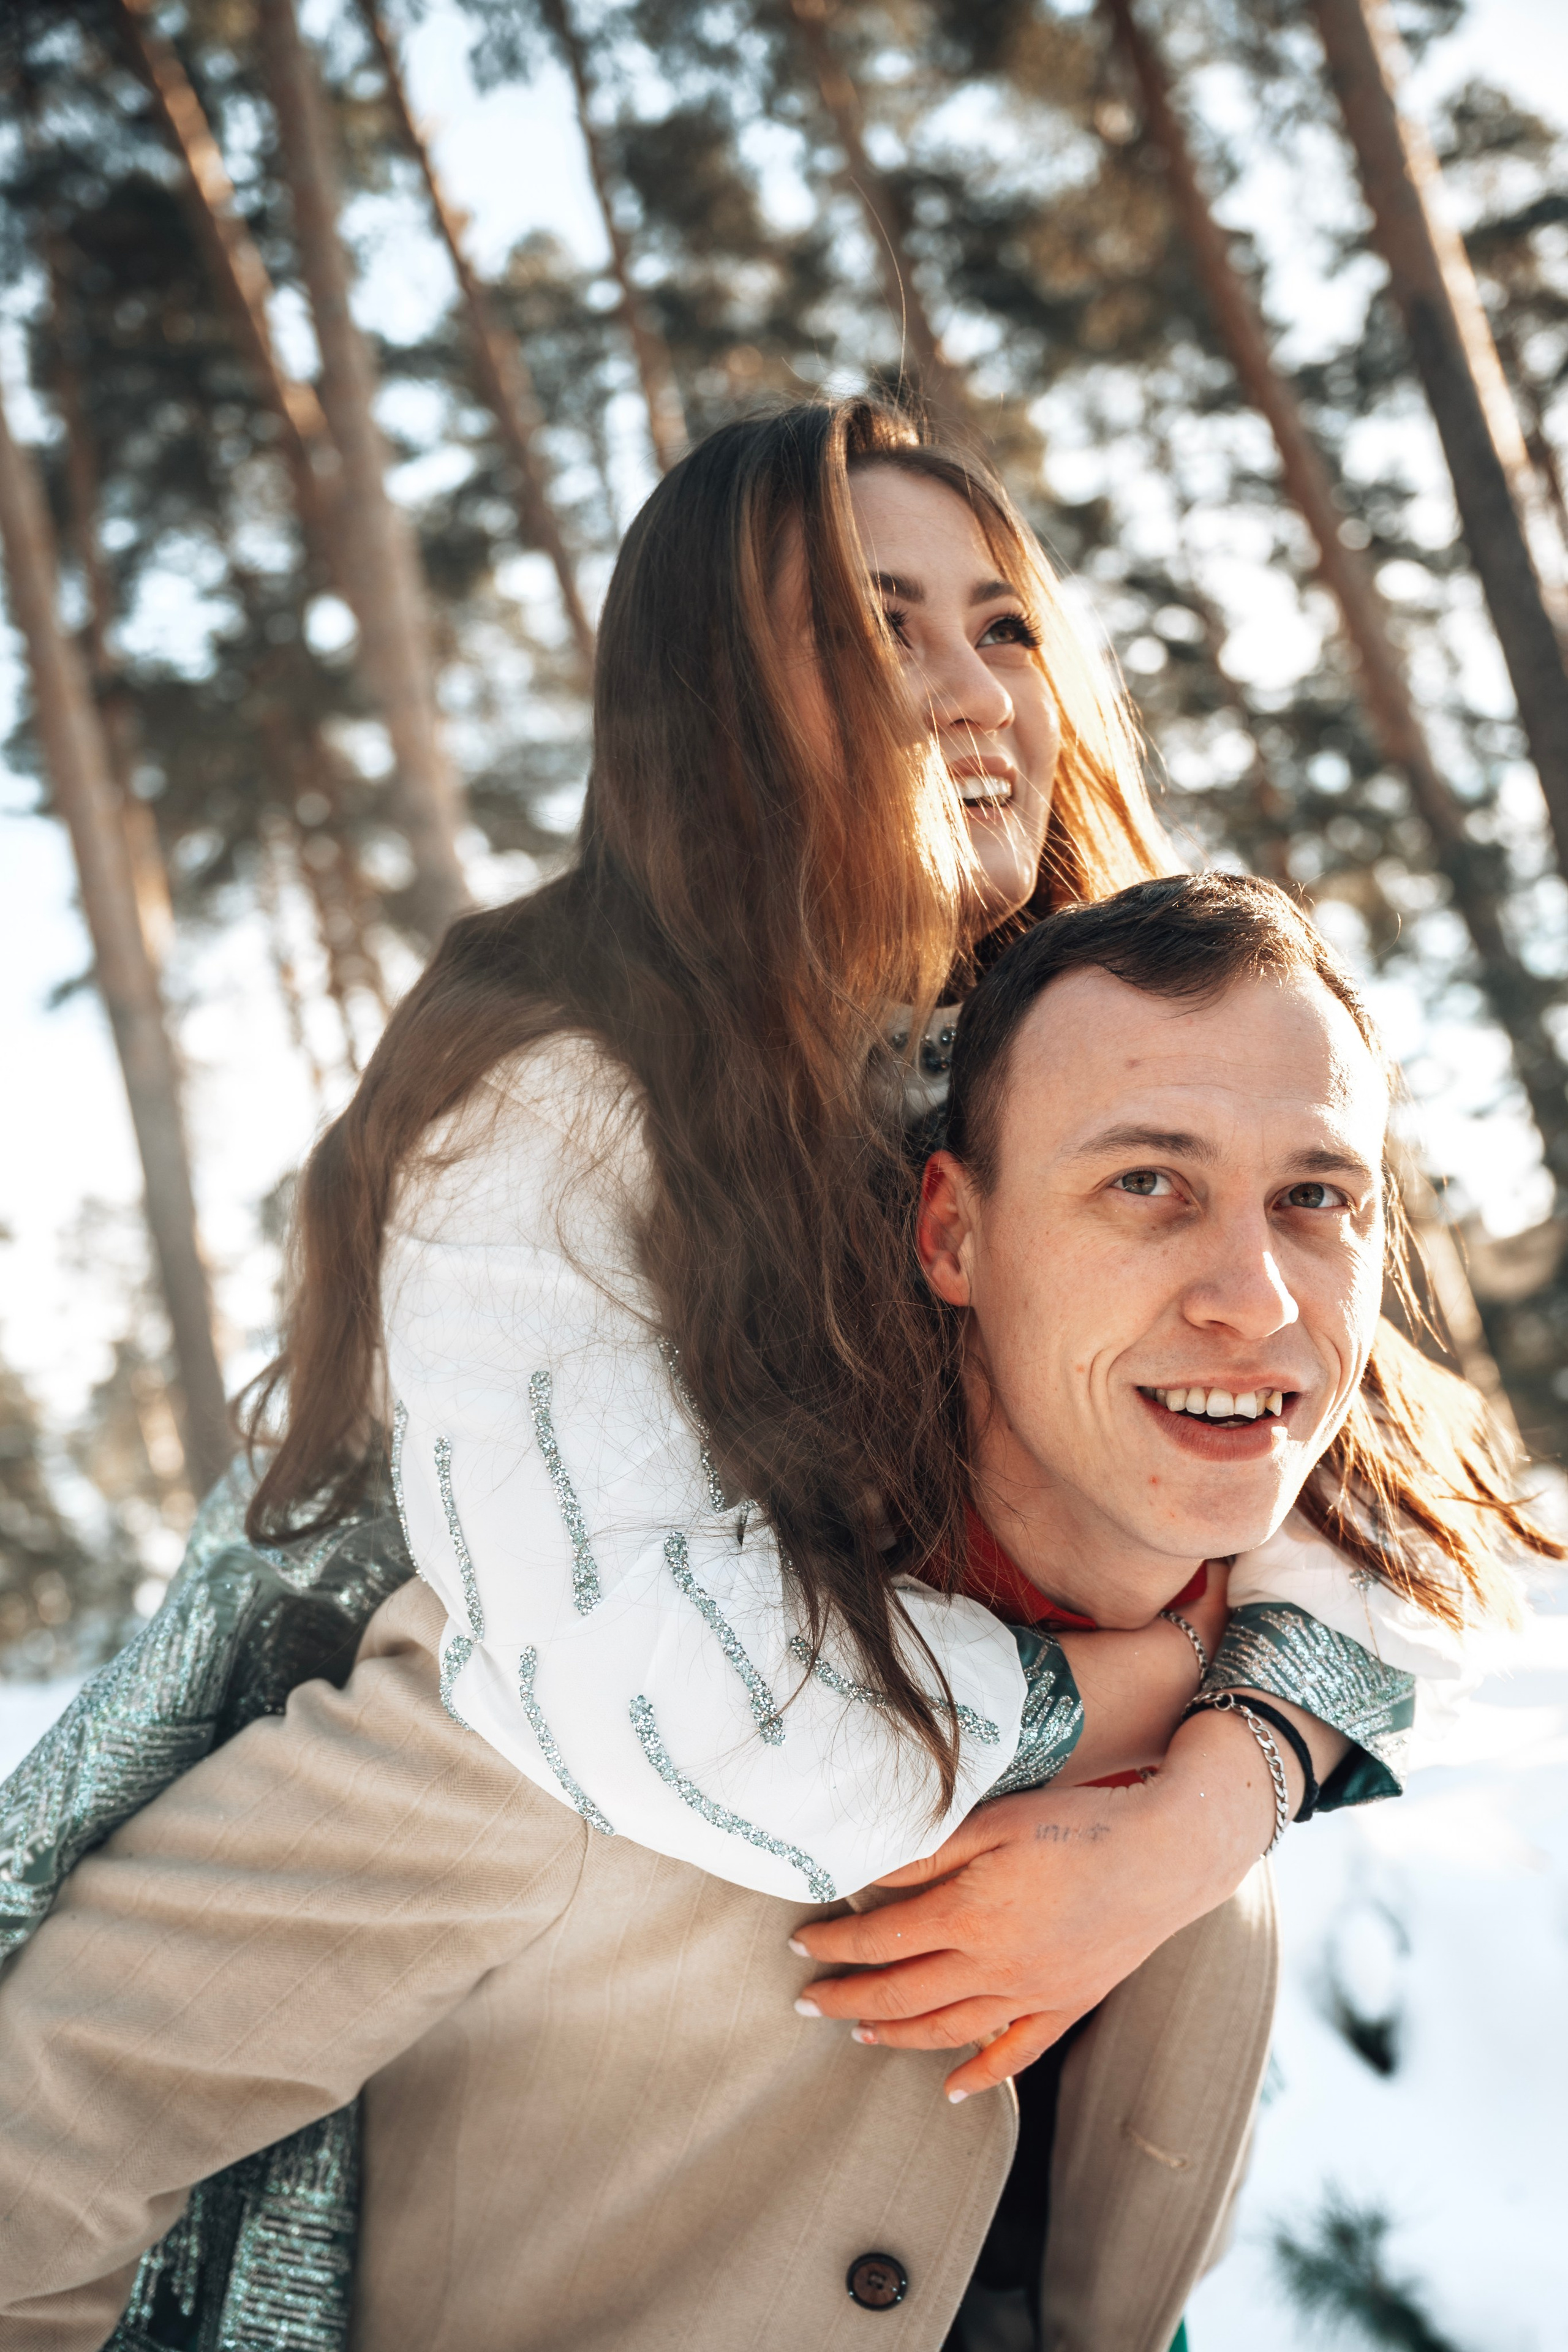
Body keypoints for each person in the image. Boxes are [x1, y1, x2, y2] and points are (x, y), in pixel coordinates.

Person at [0, 877, 1547, 2352]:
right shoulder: (599, 1697)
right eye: (1144, 1183)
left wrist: (1227, 1774)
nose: (1255, 1298)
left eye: (1314, 1197)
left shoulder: (1265, 1696)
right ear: (950, 1233)